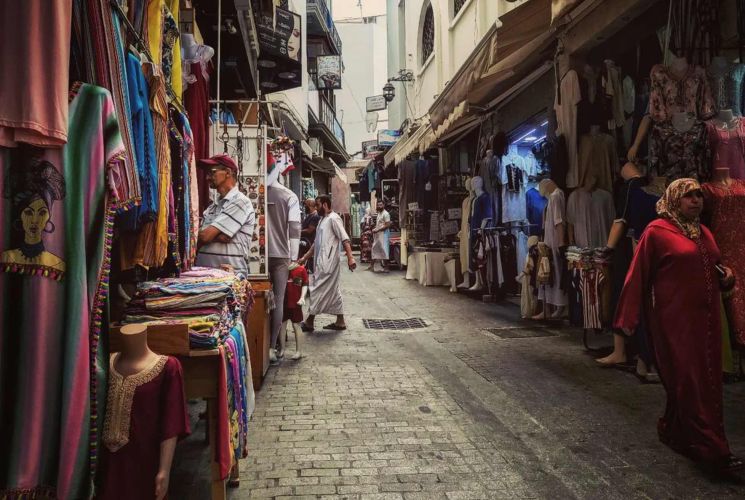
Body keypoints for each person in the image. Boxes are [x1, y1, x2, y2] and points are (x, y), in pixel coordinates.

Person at [614, 178, 742, 472]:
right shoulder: (657, 232)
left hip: (707, 321)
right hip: (675, 322)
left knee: (706, 381)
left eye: (698, 195)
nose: (696, 200)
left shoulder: (703, 232)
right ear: (674, 200)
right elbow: (637, 275)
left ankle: (674, 431)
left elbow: (717, 265)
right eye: (688, 196)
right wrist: (626, 319)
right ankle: (713, 450)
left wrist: (728, 276)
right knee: (690, 380)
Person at [298, 195, 356, 331]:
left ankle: (309, 321)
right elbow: (315, 244)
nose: (316, 208)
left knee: (317, 289)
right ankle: (340, 321)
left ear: (324, 205)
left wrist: (350, 257)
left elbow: (345, 239)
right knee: (333, 291)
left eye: (317, 205)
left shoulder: (334, 219)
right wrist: (304, 258)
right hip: (321, 261)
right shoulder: (322, 220)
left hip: (328, 262)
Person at [195, 154, 255, 275]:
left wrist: (208, 236)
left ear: (228, 172)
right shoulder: (212, 207)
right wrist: (217, 235)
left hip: (229, 278)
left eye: (212, 172)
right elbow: (201, 237)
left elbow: (204, 237)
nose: (207, 177)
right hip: (205, 276)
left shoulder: (240, 202)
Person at [369, 199, 392, 272]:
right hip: (378, 235)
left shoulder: (386, 214)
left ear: (384, 205)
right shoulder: (379, 213)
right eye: (378, 205)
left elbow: (387, 225)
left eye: (381, 205)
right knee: (374, 249)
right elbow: (379, 225)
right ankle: (371, 266)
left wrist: (378, 230)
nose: (379, 206)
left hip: (384, 234)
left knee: (384, 250)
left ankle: (387, 268)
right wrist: (375, 228)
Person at [300, 198, 320, 271]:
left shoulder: (315, 216)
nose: (305, 207)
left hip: (309, 242)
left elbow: (310, 230)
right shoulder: (310, 215)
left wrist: (299, 232)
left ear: (310, 205)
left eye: (306, 205)